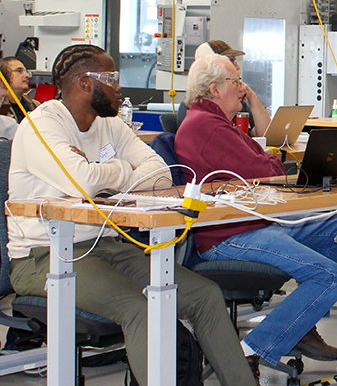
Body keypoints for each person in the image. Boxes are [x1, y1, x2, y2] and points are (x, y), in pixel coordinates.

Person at [5, 44, 256, 386]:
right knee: (141, 310)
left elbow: (160, 174)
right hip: (43, 256)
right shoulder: (41, 125)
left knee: (204, 295)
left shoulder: (109, 125)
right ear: (83, 83)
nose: (119, 86)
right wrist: (115, 174)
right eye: (111, 78)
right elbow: (82, 182)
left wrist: (102, 172)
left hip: (106, 245)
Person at [174, 54, 337, 374]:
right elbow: (263, 168)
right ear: (214, 89)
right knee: (331, 275)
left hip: (253, 221)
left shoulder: (217, 122)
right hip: (229, 233)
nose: (242, 88)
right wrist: (270, 161)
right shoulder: (207, 126)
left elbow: (264, 159)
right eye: (235, 82)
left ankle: (300, 323)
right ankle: (251, 349)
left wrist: (269, 160)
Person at [176, 40, 271, 137]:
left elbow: (266, 135)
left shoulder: (235, 101)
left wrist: (251, 96)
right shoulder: (193, 110)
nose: (237, 67)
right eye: (230, 61)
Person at [0, 56, 40, 122]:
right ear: (4, 75)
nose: (27, 75)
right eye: (19, 71)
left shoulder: (35, 105)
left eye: (26, 71)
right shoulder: (2, 106)